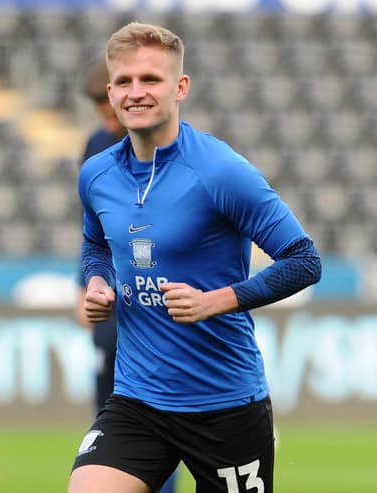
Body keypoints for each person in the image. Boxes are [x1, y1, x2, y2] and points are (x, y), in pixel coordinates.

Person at [69, 22, 321, 493]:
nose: (135, 92)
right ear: (110, 90)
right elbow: (96, 243)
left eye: (150, 79)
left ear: (180, 87)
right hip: (138, 400)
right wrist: (97, 280)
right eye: (124, 81)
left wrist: (217, 300)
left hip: (223, 405)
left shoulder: (220, 171)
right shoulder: (97, 174)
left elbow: (304, 259)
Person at [74, 54, 179, 493]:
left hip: (157, 302)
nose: (109, 119)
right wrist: (85, 284)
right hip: (114, 310)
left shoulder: (168, 148)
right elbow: (92, 231)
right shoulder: (97, 147)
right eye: (102, 108)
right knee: (114, 415)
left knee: (165, 419)